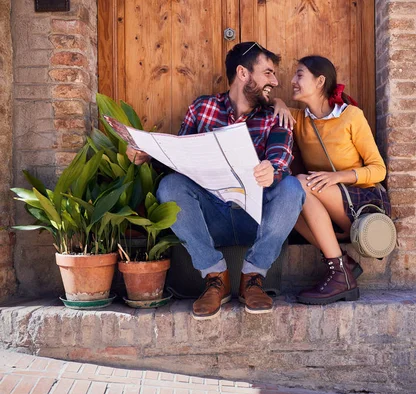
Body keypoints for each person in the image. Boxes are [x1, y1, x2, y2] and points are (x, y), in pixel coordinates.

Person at [126, 42, 305, 319]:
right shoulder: (203, 107)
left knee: (292, 187)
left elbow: (281, 158)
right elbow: (178, 163)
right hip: (211, 218)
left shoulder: (274, 116)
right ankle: (215, 276)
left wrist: (272, 169)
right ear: (243, 73)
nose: (276, 81)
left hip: (255, 218)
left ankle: (253, 278)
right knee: (170, 186)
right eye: (268, 73)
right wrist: (147, 155)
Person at [278, 55, 389, 305]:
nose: (293, 80)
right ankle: (343, 264)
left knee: (300, 184)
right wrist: (277, 102)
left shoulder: (351, 117)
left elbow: (379, 169)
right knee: (287, 202)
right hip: (327, 204)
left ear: (320, 81)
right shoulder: (298, 119)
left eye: (299, 74)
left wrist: (338, 176)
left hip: (362, 204)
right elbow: (267, 103)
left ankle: (340, 276)